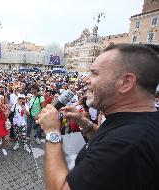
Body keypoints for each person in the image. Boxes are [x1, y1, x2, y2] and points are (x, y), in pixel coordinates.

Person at [36, 44, 159, 190]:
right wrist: (84, 123)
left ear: (125, 82)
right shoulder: (136, 123)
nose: (86, 80)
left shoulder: (126, 145)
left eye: (94, 73)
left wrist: (52, 132)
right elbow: (108, 137)